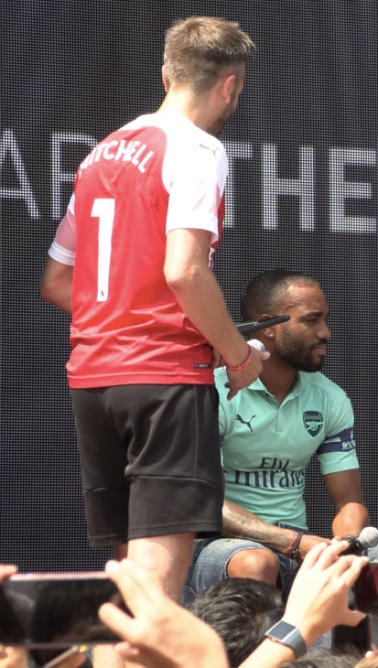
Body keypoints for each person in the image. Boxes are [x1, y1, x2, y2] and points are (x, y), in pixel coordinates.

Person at [39, 16, 260, 599]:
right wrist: (236, 354)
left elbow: (59, 281)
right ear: (231, 86)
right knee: (157, 594)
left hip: (93, 379)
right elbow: (185, 270)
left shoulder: (100, 153)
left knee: (130, 590)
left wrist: (126, 321)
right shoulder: (198, 149)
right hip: (164, 382)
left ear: (165, 74)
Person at [185, 270, 378, 640]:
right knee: (257, 562)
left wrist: (347, 543)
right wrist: (293, 544)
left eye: (324, 319)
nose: (325, 332)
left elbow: (349, 499)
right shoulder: (212, 390)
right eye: (312, 320)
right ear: (268, 327)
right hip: (219, 547)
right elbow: (203, 503)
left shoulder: (329, 398)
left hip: (299, 548)